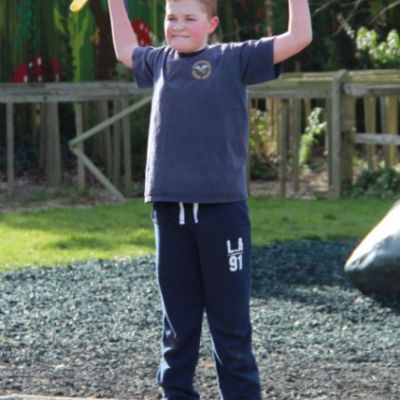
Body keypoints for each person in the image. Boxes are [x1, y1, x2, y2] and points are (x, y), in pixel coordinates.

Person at [108, 0, 312, 399]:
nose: (178, 26)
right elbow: (124, 49)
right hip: (169, 212)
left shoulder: (233, 59)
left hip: (223, 215)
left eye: (190, 18)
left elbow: (300, 37)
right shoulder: (159, 62)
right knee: (178, 324)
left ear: (212, 23)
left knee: (229, 327)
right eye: (171, 18)